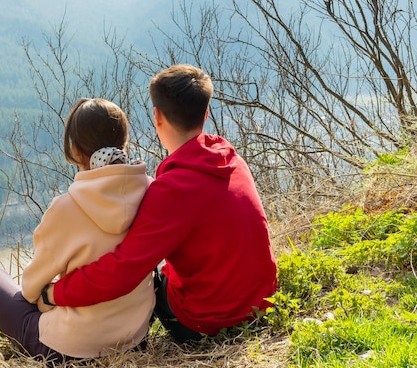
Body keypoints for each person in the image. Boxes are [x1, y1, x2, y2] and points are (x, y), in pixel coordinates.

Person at [44, 64, 278, 343]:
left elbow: (122, 272)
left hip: (207, 322)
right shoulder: (232, 160)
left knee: (147, 279)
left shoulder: (172, 190)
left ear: (157, 116)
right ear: (206, 112)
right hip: (262, 304)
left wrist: (55, 293)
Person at [0, 98, 155, 363]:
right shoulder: (154, 192)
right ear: (125, 141)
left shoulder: (66, 207)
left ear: (74, 150)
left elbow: (31, 290)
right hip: (134, 338)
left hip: (68, 348)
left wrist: (48, 299)